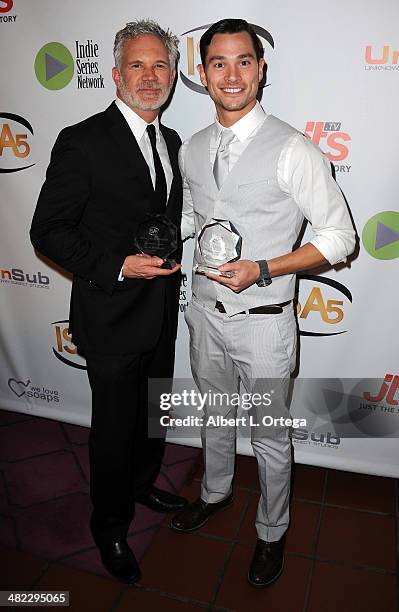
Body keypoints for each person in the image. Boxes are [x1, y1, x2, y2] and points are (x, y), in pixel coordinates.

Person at [171, 18, 355, 587]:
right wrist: (165, 242)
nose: (232, 74)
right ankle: (215, 493)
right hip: (203, 313)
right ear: (202, 74)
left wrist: (266, 268)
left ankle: (272, 533)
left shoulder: (293, 148)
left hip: (265, 324)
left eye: (243, 61)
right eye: (219, 63)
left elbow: (340, 238)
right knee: (213, 414)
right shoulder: (194, 148)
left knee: (270, 435)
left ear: (261, 68)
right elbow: (195, 218)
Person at [30, 19, 187, 584]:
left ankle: (143, 487)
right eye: (138, 66)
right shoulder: (83, 140)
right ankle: (110, 526)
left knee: (152, 413)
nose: (150, 77)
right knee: (114, 428)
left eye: (160, 65)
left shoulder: (169, 141)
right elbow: (48, 230)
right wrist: (117, 265)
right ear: (116, 74)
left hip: (161, 311)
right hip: (111, 312)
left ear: (172, 75)